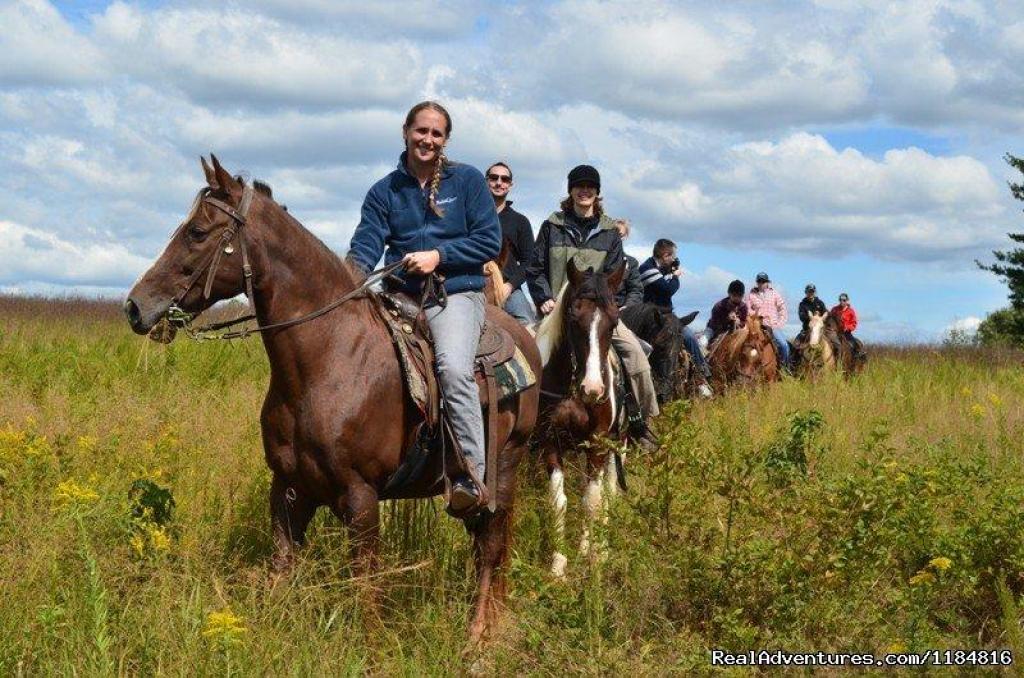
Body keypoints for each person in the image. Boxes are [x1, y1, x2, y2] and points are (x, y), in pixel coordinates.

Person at [348, 101, 500, 513]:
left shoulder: (467, 181)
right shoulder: (385, 191)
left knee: (452, 367)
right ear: (405, 132)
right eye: (421, 131)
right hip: (399, 293)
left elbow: (490, 241)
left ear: (445, 140)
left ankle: (471, 474)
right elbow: (367, 241)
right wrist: (349, 277)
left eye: (436, 133)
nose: (427, 140)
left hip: (454, 292)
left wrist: (439, 256)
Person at [525, 165, 660, 440]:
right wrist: (543, 298)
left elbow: (614, 277)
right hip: (555, 314)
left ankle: (641, 423)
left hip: (596, 316)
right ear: (570, 190)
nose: (584, 190)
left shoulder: (610, 232)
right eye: (579, 185)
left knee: (636, 357)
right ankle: (522, 429)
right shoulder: (552, 226)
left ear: (597, 193)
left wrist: (607, 310)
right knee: (521, 355)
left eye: (590, 186)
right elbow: (535, 268)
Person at [485, 161, 536, 324]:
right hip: (473, 282)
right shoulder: (471, 216)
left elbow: (529, 261)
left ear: (510, 184)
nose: (499, 182)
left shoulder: (520, 221)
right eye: (494, 178)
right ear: (486, 181)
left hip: (508, 287)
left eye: (504, 179)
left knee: (527, 321)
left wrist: (509, 286)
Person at [747, 272, 790, 370]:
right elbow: (748, 309)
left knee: (784, 346)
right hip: (756, 326)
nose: (761, 283)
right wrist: (755, 314)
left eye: (763, 281)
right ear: (757, 283)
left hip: (772, 326)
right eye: (759, 281)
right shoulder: (751, 295)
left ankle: (784, 369)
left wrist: (779, 323)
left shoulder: (774, 294)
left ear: (767, 282)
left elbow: (782, 308)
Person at [638, 239, 681, 310]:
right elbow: (668, 291)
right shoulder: (648, 268)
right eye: (673, 257)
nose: (673, 260)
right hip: (650, 314)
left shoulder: (662, 269)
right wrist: (675, 276)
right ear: (665, 256)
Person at [706, 280, 749, 344]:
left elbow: (744, 323)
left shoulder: (743, 307)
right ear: (729, 294)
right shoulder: (719, 306)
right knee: (702, 342)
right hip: (714, 330)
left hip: (735, 332)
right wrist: (727, 319)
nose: (737, 298)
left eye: (740, 295)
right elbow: (715, 324)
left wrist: (739, 322)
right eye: (734, 295)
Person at [613, 219, 643, 308]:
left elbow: (636, 290)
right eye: (613, 233)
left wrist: (626, 307)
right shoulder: (598, 259)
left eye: (620, 235)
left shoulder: (631, 263)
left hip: (620, 309)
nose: (616, 238)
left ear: (625, 237)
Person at [830, 292, 865, 359]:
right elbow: (830, 319)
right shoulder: (834, 309)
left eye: (844, 300)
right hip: (835, 332)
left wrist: (847, 327)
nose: (842, 302)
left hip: (846, 332)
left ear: (847, 301)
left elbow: (854, 323)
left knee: (853, 343)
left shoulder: (851, 311)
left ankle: (856, 355)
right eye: (840, 300)